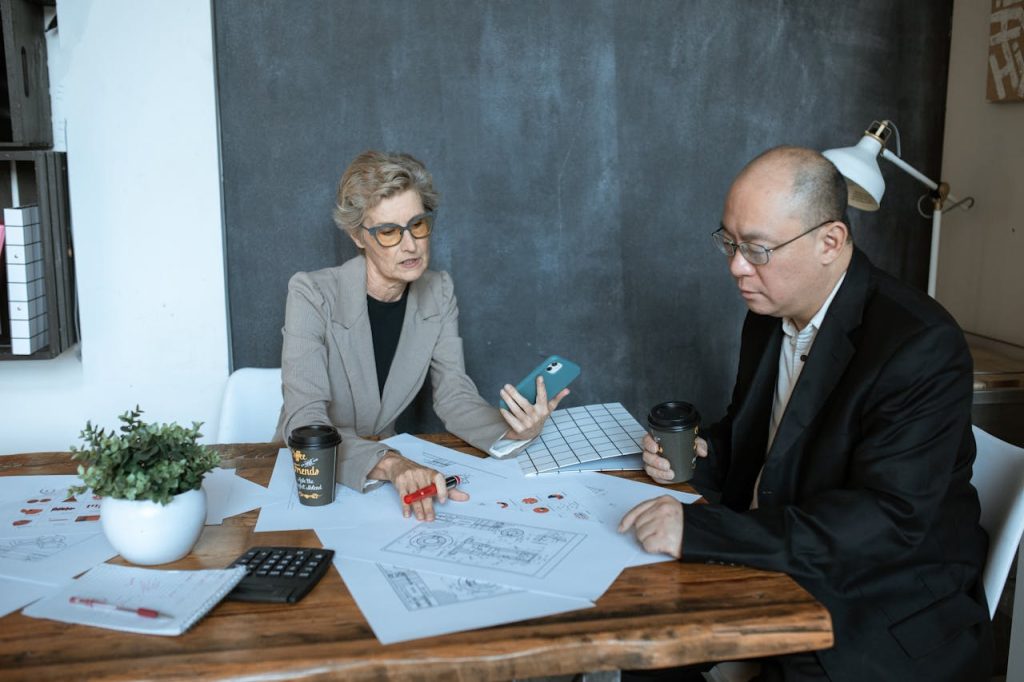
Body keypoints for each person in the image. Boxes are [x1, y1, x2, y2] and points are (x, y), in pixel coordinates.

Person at [619, 146, 993, 681]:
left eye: (757, 249)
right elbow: (764, 441)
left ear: (830, 242)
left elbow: (886, 520)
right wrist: (703, 454)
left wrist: (703, 533)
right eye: (729, 242)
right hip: (786, 561)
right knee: (645, 643)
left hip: (878, 604)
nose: (736, 267)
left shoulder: (918, 344)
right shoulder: (769, 313)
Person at [276, 150, 567, 521]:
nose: (410, 244)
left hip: (390, 483)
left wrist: (512, 432)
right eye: (388, 232)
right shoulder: (311, 293)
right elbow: (304, 420)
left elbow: (454, 396)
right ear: (358, 236)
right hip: (314, 478)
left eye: (417, 224)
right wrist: (390, 463)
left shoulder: (439, 290)